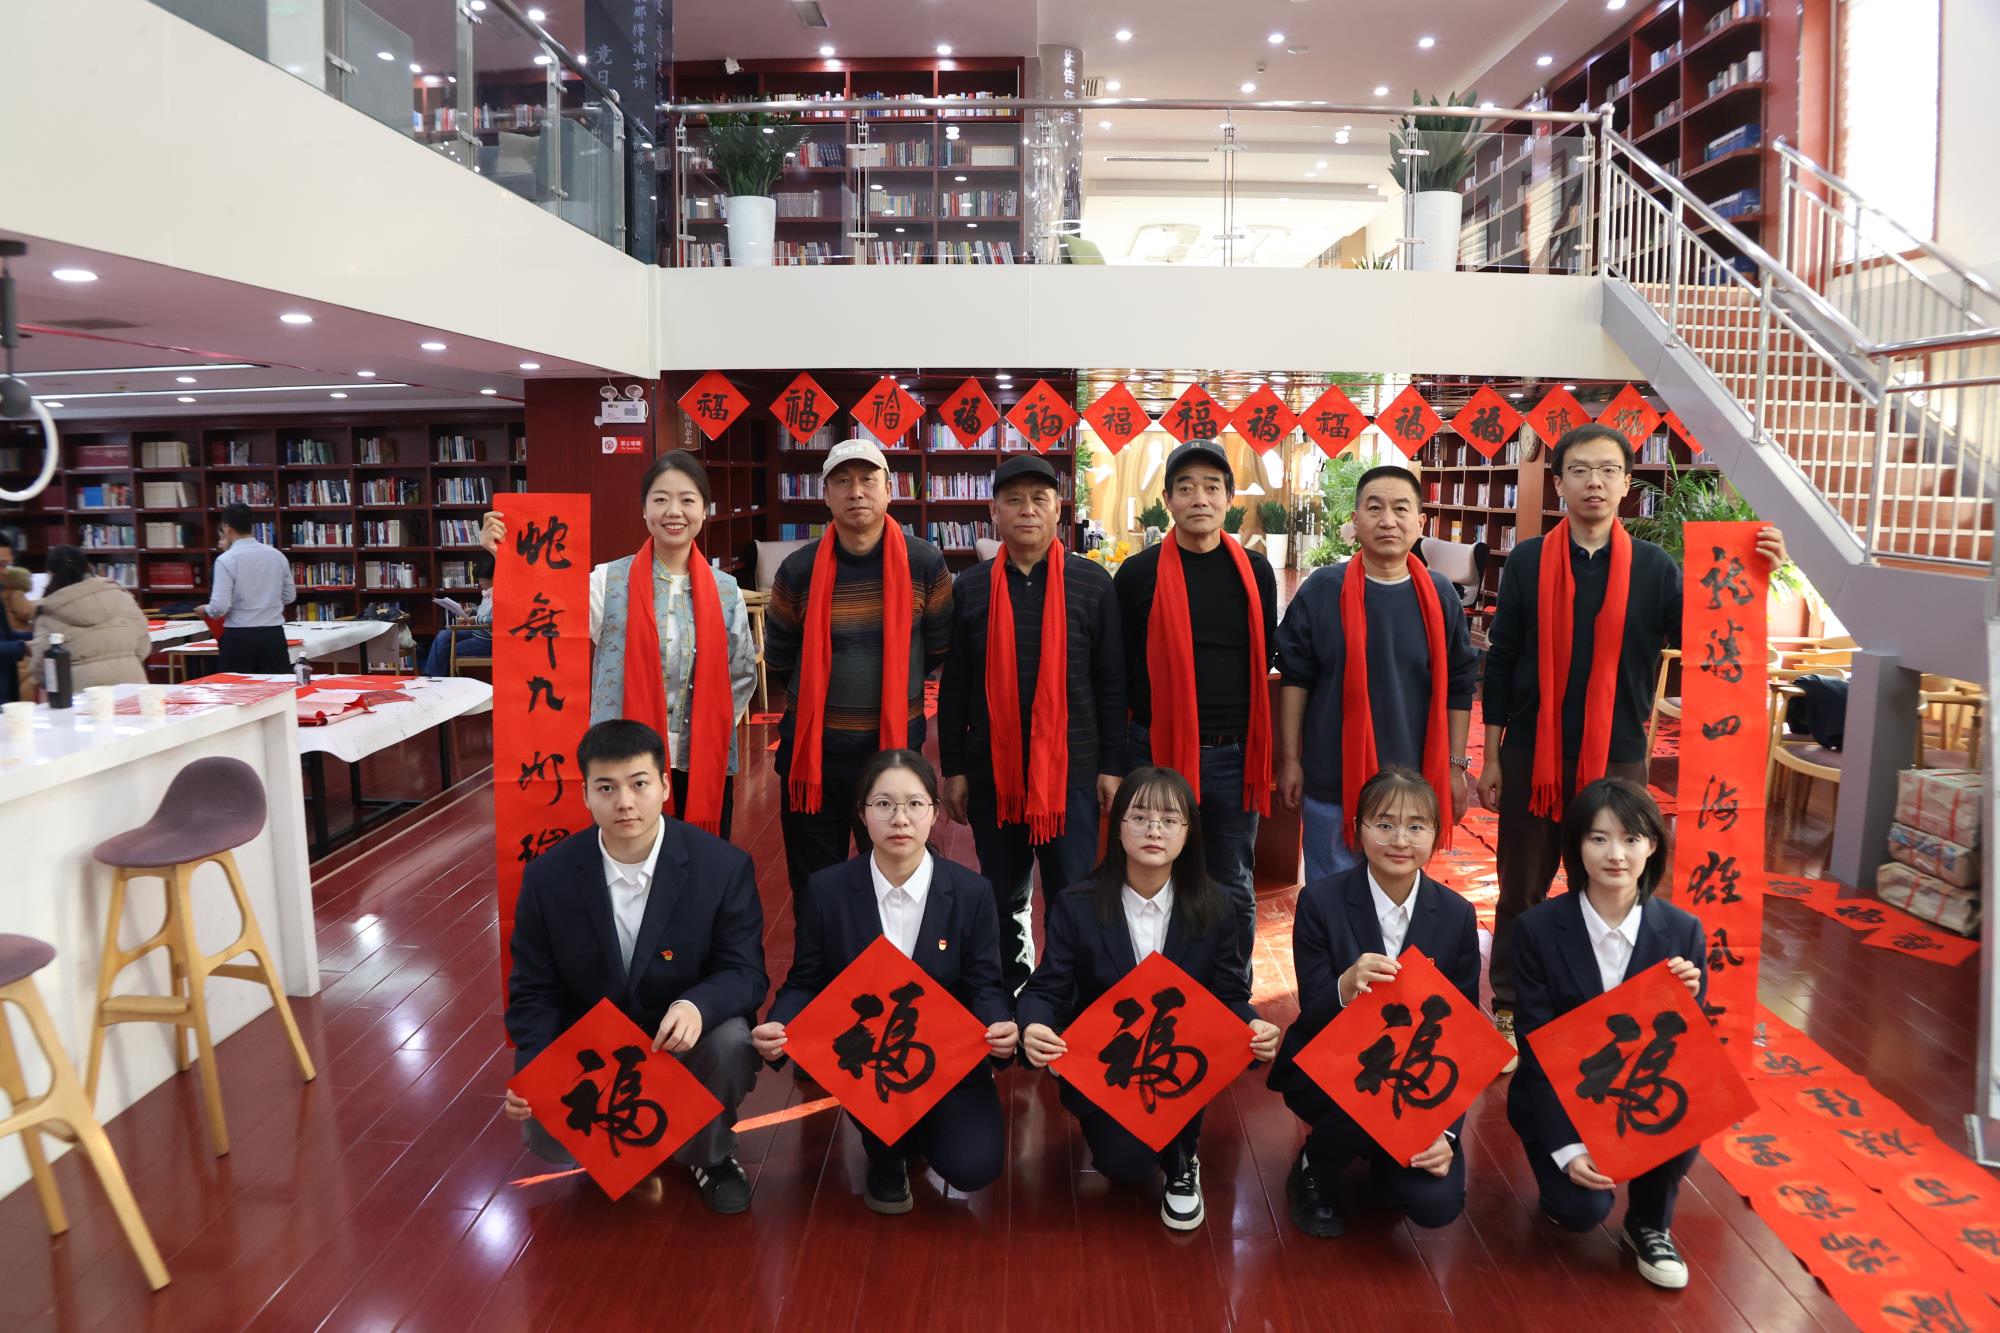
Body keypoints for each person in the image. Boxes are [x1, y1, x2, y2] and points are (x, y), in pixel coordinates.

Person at [1480, 423, 1783, 1063]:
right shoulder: (1528, 561)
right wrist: (1491, 754)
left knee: (1611, 887)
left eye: (1608, 470)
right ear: (1559, 482)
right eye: (1580, 470)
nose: (1594, 482)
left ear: (1625, 484)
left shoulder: (1654, 569)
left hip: (1617, 755)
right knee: (1522, 885)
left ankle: (1597, 1001)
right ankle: (1509, 1004)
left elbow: (1708, 636)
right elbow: (1501, 659)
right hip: (1532, 752)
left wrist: (1754, 575)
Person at [502, 719, 766, 1213]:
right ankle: (628, 1136)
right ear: (585, 794)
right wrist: (532, 1070)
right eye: (606, 788)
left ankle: (709, 1155)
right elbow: (534, 990)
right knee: (546, 1132)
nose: (624, 802)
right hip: (596, 1049)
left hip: (679, 1039)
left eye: (639, 783)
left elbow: (745, 972)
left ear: (665, 785)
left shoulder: (722, 867)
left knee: (732, 1040)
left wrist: (696, 1006)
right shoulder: (547, 877)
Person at [753, 749, 1016, 1215]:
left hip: (945, 1060)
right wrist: (780, 1022)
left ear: (934, 812)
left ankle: (917, 1133)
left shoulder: (971, 892)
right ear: (862, 813)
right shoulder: (828, 891)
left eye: (915, 804)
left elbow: (984, 985)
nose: (900, 819)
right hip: (868, 1061)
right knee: (883, 1112)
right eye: (884, 804)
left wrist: (997, 1024)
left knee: (974, 1166)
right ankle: (885, 1153)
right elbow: (806, 980)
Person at [1018, 767, 1279, 1231]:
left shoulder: (1218, 906)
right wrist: (1033, 1025)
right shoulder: (1078, 903)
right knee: (1125, 1165)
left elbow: (1229, 995)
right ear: (1117, 828)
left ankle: (1183, 1160)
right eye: (1139, 817)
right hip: (1108, 1066)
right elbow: (1046, 988)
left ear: (1188, 833)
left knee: (1164, 1130)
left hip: (1179, 1063)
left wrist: (1252, 1023)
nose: (1154, 830)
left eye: (1169, 820)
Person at [483, 452, 757, 838]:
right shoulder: (607, 580)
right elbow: (541, 620)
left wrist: (710, 727)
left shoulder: (725, 590)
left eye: (687, 499)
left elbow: (741, 673)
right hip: (621, 764)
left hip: (702, 759)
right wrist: (508, 560)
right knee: (626, 861)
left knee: (699, 861)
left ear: (704, 509)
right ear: (644, 510)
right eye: (660, 499)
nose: (673, 511)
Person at [937, 452, 1126, 994]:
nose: (1027, 510)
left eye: (1039, 499)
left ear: (1058, 509)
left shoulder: (1092, 584)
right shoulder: (971, 588)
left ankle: (1069, 994)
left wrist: (1112, 766)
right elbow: (955, 688)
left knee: (1073, 891)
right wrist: (954, 769)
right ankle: (1012, 991)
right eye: (1014, 500)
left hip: (1073, 772)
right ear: (993, 511)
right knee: (1003, 895)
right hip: (993, 774)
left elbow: (1112, 683)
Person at [1507, 778, 1706, 1290]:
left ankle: (1649, 1224)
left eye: (1631, 838)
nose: (1615, 854)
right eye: (1598, 838)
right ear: (1576, 846)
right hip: (1562, 1097)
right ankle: (1562, 1177)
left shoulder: (1683, 931)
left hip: (1642, 1090)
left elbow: (1686, 1048)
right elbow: (1536, 1047)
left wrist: (1690, 1003)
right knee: (1581, 1210)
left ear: (1652, 846)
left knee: (1690, 1097)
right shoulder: (1536, 930)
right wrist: (1569, 1147)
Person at [1269, 767, 1480, 1239]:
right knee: (1360, 1102)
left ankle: (1386, 1163)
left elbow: (1462, 1036)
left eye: (1416, 826)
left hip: (1414, 1078)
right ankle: (1315, 1169)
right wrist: (1344, 988)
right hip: (1332, 1070)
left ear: (1437, 834)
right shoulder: (1321, 902)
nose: (1400, 840)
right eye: (1384, 824)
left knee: (1435, 1204)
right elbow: (1312, 1013)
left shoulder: (1457, 916)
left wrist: (1445, 1130)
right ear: (1357, 829)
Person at [1112, 439, 1277, 977]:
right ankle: (1153, 981)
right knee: (1151, 874)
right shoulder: (1137, 575)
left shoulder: (1256, 571)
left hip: (1233, 754)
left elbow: (1264, 655)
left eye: (1211, 487)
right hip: (1154, 750)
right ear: (1167, 500)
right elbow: (1119, 670)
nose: (1199, 498)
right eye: (1185, 488)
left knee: (1233, 880)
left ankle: (1231, 993)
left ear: (1229, 498)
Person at [764, 440, 953, 898]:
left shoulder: (924, 563)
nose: (856, 491)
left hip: (895, 756)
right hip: (814, 758)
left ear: (889, 490)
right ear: (826, 495)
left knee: (896, 884)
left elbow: (937, 647)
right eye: (843, 481)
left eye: (868, 479)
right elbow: (779, 656)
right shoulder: (798, 569)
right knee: (816, 889)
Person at [1274, 466, 1478, 882]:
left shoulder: (1441, 596)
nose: (1388, 520)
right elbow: (1297, 679)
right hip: (1332, 780)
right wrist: (1290, 760)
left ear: (1420, 523)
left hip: (1414, 784)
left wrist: (1455, 768)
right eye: (1374, 508)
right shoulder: (1323, 590)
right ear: (1355, 520)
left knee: (1401, 901)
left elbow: (1459, 686)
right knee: (1332, 898)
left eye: (1401, 509)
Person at [27, 545, 152, 692]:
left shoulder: (48, 611)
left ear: (50, 574)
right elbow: (144, 646)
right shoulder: (121, 596)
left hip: (79, 695)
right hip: (132, 688)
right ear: (88, 567)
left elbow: (42, 669)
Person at [206, 503, 296, 674]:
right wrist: (267, 601)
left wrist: (206, 610)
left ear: (227, 528)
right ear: (251, 526)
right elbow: (289, 596)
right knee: (278, 686)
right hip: (273, 635)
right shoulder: (276, 555)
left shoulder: (226, 560)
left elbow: (219, 607)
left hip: (239, 637)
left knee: (236, 687)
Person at [421, 552, 493, 676]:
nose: (479, 582)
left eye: (481, 578)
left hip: (487, 641)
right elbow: (485, 609)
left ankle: (435, 679)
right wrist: (472, 610)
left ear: (492, 577)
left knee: (447, 650)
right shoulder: (488, 592)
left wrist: (475, 620)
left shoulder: (500, 594)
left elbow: (496, 618)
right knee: (443, 635)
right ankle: (430, 676)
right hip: (477, 633)